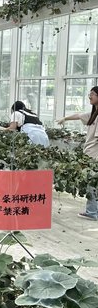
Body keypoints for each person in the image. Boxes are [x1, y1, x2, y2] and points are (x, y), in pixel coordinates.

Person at [57, 86, 98, 220]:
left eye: (92, 94)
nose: (89, 96)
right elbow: (79, 115)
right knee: (92, 183)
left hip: (94, 156)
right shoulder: (93, 114)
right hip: (89, 154)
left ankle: (92, 212)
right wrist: (65, 118)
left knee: (92, 184)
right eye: (89, 93)